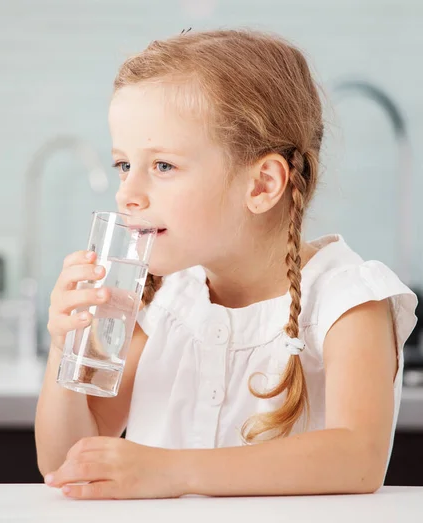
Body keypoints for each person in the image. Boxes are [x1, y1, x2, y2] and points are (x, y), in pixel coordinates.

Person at [34, 29, 418, 499]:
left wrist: (173, 472)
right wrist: (65, 346)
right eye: (123, 165)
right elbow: (67, 464)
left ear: (261, 186)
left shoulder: (347, 301)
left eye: (163, 167)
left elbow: (356, 460)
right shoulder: (167, 303)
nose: (126, 194)